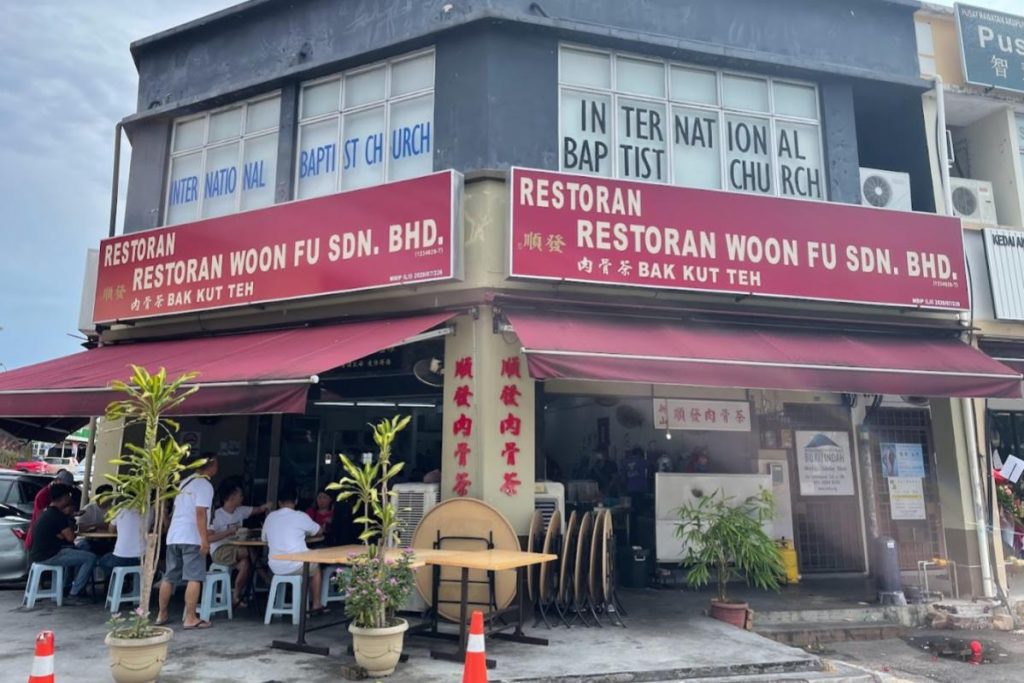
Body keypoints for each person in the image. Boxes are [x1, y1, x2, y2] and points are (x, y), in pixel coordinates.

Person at [156, 453, 218, 629]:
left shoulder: (184, 482)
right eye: (216, 464)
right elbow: (200, 513)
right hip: (191, 537)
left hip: (174, 536)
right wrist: (204, 540)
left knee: (169, 576)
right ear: (210, 466)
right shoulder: (204, 485)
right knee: (194, 577)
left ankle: (162, 614)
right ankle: (190, 617)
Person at [28, 483, 97, 605]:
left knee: (82, 547)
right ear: (64, 498)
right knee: (90, 558)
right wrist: (72, 530)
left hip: (41, 553)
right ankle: (74, 593)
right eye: (68, 496)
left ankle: (67, 585)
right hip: (50, 555)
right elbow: (70, 537)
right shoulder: (56, 515)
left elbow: (63, 536)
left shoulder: (47, 512)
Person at [263, 486, 325, 612]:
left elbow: (264, 539)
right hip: (296, 565)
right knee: (316, 567)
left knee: (307, 565)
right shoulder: (301, 516)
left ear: (279, 502)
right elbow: (319, 530)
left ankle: (297, 601)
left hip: (275, 566)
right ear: (296, 501)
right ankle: (316, 604)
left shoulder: (270, 517)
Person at [209, 481, 268, 608]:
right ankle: (265, 577)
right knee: (248, 550)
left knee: (245, 564)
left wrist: (267, 506)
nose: (242, 497)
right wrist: (228, 532)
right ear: (232, 497)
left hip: (237, 550)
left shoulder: (240, 511)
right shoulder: (217, 515)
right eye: (240, 495)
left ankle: (235, 596)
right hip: (220, 550)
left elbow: (258, 510)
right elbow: (209, 538)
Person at [24, 470, 78, 550]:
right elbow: (42, 517)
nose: (65, 489)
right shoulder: (43, 495)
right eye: (64, 486)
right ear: (57, 480)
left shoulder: (64, 495)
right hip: (41, 536)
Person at [99, 499, 148, 577]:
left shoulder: (119, 509)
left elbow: (111, 530)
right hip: (142, 558)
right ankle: (128, 581)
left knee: (102, 561)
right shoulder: (148, 509)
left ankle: (116, 583)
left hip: (120, 558)